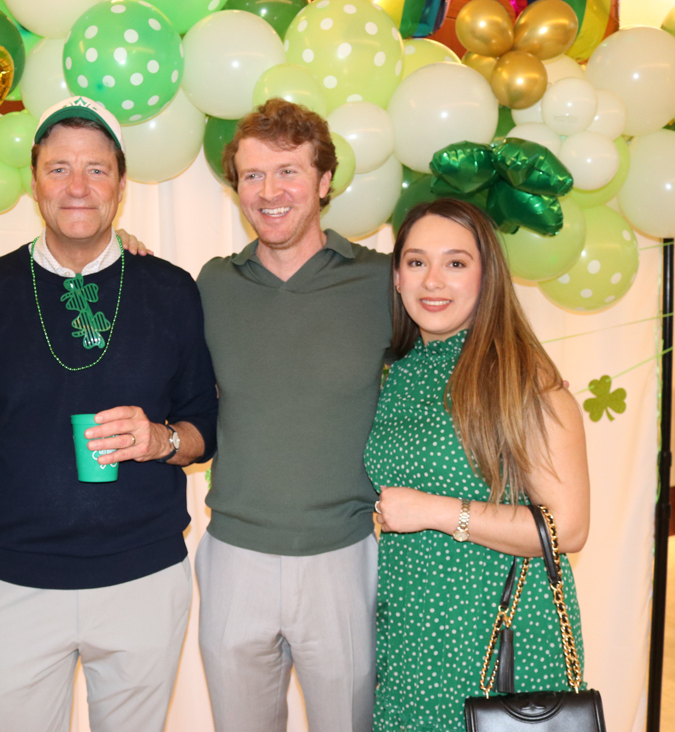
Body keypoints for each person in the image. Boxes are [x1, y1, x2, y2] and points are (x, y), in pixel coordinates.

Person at [0, 96, 218, 732]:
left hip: (144, 581)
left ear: (121, 186)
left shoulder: (170, 289)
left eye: (96, 170)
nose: (78, 186)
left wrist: (159, 440)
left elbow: (204, 428)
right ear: (34, 182)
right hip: (15, 586)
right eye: (59, 168)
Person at [194, 98, 392, 732]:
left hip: (344, 554)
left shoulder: (385, 281)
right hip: (234, 555)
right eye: (253, 175)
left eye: (288, 172)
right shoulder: (211, 284)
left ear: (324, 180)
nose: (269, 191)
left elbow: (462, 340)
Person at [364, 198, 590, 731]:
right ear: (396, 276)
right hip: (412, 643)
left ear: (487, 277)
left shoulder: (520, 378)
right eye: (416, 262)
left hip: (498, 642)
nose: (432, 280)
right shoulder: (399, 374)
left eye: (456, 262)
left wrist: (435, 511)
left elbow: (569, 527)